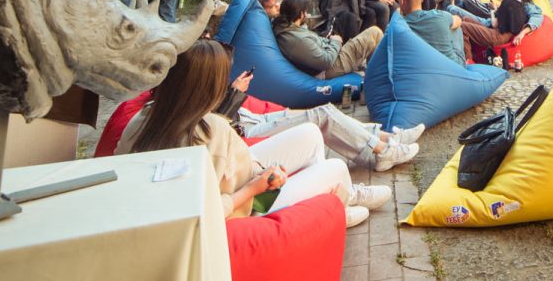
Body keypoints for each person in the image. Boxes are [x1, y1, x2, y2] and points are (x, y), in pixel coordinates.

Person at [117, 41, 391, 227]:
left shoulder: (145, 120)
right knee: (335, 167)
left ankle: (332, 204)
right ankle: (334, 205)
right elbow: (207, 211)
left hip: (240, 179)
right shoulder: (209, 130)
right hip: (248, 207)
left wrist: (261, 172)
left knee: (309, 134)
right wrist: (255, 187)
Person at [217, 59, 423, 171]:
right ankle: (381, 150)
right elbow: (218, 122)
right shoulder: (289, 34)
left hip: (252, 117)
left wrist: (233, 90)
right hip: (246, 129)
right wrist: (234, 92)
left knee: (328, 112)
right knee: (322, 113)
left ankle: (387, 137)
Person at [273, 0, 383, 78]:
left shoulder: (287, 29)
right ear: (301, 14)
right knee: (375, 32)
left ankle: (373, 71)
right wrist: (336, 42)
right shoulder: (297, 40)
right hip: (332, 67)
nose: (307, 14)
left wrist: (331, 41)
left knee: (345, 17)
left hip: (330, 53)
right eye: (306, 12)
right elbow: (325, 62)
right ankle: (378, 77)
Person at [396, 0, 470, 66]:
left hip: (421, 65)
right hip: (455, 66)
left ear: (401, 0)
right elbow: (458, 20)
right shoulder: (439, 16)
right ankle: (468, 60)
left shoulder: (397, 26)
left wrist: (398, 12)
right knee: (456, 28)